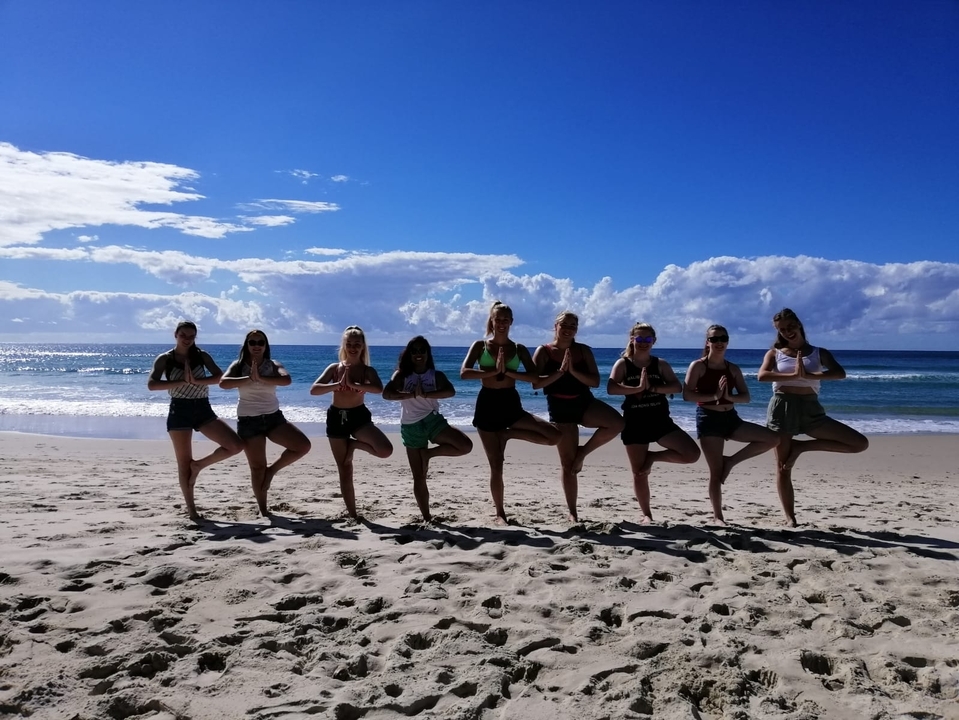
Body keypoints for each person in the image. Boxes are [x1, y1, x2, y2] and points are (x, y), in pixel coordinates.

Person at [757, 308, 868, 526]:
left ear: (798, 324)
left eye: (790, 326)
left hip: (811, 408)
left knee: (858, 443)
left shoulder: (819, 352)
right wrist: (793, 375)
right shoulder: (775, 353)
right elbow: (762, 376)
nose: (787, 332)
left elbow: (839, 373)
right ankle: (790, 518)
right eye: (782, 329)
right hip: (782, 406)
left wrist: (808, 375)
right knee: (782, 466)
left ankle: (801, 448)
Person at [461, 301, 561, 524]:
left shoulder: (519, 349)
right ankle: (500, 513)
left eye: (506, 319)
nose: (502, 323)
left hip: (510, 403)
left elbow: (535, 378)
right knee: (496, 464)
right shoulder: (480, 345)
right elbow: (464, 373)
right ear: (492, 321)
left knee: (554, 436)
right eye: (498, 319)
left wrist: (509, 373)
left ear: (512, 322)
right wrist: (493, 372)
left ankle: (508, 434)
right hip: (487, 403)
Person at [147, 321, 244, 520]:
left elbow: (219, 377)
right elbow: (152, 384)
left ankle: (198, 466)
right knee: (183, 463)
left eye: (191, 336)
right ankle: (191, 510)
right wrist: (181, 381)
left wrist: (197, 381)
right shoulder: (165, 359)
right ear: (175, 334)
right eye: (183, 335)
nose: (187, 339)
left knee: (235, 445)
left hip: (202, 407)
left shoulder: (202, 355)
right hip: (179, 409)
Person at [533, 311, 624, 522]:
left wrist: (572, 370)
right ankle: (572, 512)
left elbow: (595, 382)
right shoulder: (544, 351)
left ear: (577, 329)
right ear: (555, 326)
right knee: (567, 464)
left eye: (573, 326)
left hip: (584, 402)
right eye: (564, 324)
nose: (568, 329)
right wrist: (559, 372)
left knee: (617, 423)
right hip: (559, 407)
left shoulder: (583, 350)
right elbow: (536, 383)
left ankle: (582, 453)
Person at [683, 324, 779, 524]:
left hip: (731, 419)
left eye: (723, 338)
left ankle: (732, 461)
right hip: (708, 419)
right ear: (707, 342)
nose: (719, 342)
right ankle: (718, 516)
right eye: (714, 339)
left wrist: (728, 397)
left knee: (772, 439)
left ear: (727, 341)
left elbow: (746, 397)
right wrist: (714, 396)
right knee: (716, 473)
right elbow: (687, 394)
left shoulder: (732, 368)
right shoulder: (698, 366)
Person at [607, 322, 699, 523]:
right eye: (639, 339)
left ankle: (652, 457)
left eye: (647, 339)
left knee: (692, 454)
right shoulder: (623, 364)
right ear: (632, 339)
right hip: (634, 423)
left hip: (660, 421)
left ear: (653, 341)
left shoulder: (661, 364)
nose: (643, 343)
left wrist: (653, 389)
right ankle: (646, 514)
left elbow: (676, 387)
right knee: (639, 473)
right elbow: (611, 388)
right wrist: (637, 388)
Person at [220, 329, 312, 516]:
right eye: (252, 342)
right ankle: (263, 509)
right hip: (248, 421)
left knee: (302, 445)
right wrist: (248, 378)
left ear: (265, 345)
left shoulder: (273, 364)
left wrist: (260, 377)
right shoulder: (238, 365)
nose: (256, 346)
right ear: (246, 345)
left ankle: (272, 472)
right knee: (257, 467)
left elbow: (286, 380)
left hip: (273, 418)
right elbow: (223, 383)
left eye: (260, 342)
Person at [382, 336, 473, 521]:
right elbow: (387, 394)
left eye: (421, 350)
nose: (418, 354)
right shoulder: (401, 375)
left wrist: (426, 394)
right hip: (411, 426)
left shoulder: (435, 375)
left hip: (433, 422)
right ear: (409, 354)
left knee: (465, 445)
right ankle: (426, 518)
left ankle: (428, 454)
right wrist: (409, 395)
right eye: (414, 350)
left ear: (427, 353)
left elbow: (450, 391)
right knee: (419, 476)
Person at [310, 326, 393, 518]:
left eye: (357, 344)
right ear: (344, 345)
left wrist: (355, 385)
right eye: (349, 344)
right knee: (345, 468)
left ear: (363, 346)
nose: (353, 347)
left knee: (385, 450)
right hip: (336, 417)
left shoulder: (367, 370)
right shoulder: (334, 368)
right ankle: (353, 514)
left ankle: (354, 444)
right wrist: (337, 385)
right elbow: (314, 390)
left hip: (358, 417)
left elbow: (378, 389)